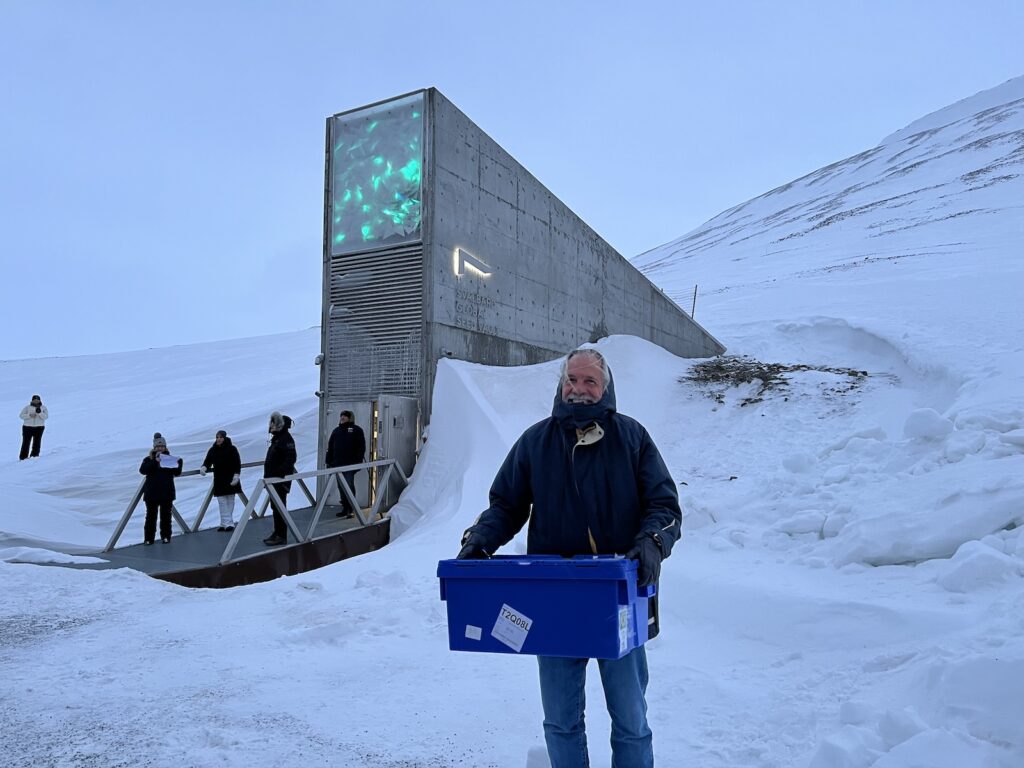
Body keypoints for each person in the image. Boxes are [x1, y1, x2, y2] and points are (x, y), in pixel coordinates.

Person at [457, 348, 682, 768]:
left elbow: (664, 505)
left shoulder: (632, 438)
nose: (579, 389)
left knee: (631, 720)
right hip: (554, 597)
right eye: (571, 380)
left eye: (589, 381)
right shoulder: (536, 441)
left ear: (605, 388)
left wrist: (652, 541)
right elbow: (506, 505)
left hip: (618, 595)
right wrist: (480, 539)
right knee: (561, 722)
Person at [139, 432, 183, 545]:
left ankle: (166, 537)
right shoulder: (148, 459)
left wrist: (177, 463)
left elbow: (177, 472)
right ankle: (149, 539)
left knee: (166, 516)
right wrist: (155, 461)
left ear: (165, 447)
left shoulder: (170, 459)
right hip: (151, 493)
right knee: (150, 517)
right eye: (158, 446)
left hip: (166, 492)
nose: (160, 448)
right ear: (154, 447)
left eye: (162, 446)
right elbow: (143, 470)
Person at [263, 411, 297, 546]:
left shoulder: (285, 439)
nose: (271, 426)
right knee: (275, 507)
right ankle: (277, 532)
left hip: (280, 480)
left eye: (273, 423)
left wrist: (280, 473)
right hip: (273, 479)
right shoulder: (277, 439)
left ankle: (281, 535)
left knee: (280, 507)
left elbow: (291, 458)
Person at [325, 410, 366, 518]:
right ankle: (345, 507)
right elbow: (330, 447)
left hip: (350, 465)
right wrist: (328, 461)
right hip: (337, 464)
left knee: (349, 485)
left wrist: (358, 462)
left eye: (345, 416)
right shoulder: (336, 431)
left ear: (350, 418)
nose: (342, 418)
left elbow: (361, 447)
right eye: (341, 416)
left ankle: (351, 509)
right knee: (341, 487)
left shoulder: (357, 430)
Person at [200, 429, 243, 531]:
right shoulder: (213, 449)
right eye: (217, 437)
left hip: (231, 477)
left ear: (224, 438)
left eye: (220, 437)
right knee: (222, 501)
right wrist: (204, 467)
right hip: (219, 479)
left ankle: (226, 523)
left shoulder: (232, 449)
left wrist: (236, 475)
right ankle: (227, 523)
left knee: (230, 500)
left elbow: (237, 462)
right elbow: (208, 461)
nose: (218, 439)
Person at [19, 394, 48, 460]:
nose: (36, 401)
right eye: (34, 400)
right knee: (26, 442)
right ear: (32, 400)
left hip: (39, 427)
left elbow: (46, 417)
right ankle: (23, 457)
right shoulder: (27, 407)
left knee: (37, 442)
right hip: (27, 427)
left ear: (40, 400)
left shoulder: (43, 408)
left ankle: (34, 456)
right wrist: (29, 415)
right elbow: (21, 416)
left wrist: (40, 413)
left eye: (37, 400)